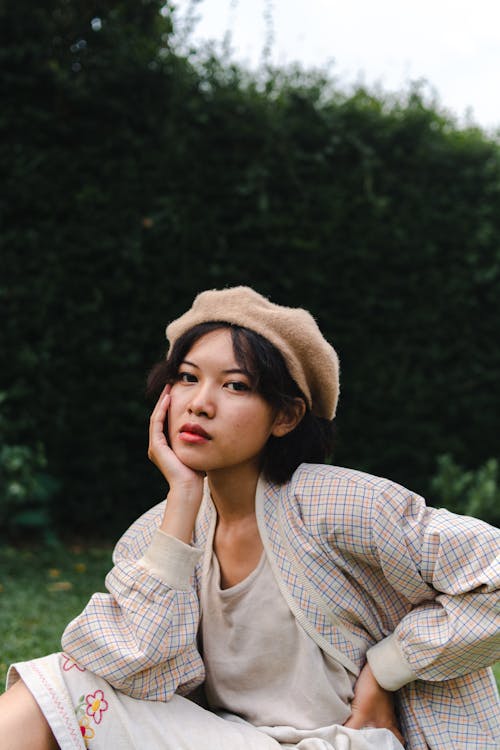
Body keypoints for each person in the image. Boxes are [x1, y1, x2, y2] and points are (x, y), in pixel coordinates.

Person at [1, 286, 499, 750]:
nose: (199, 403)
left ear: (285, 416)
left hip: (347, 741)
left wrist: (387, 668)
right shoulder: (155, 537)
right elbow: (129, 668)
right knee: (68, 680)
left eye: (235, 385)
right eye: (187, 378)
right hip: (231, 740)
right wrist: (181, 499)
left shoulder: (335, 505)